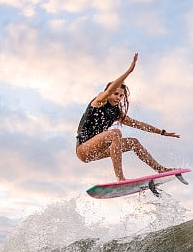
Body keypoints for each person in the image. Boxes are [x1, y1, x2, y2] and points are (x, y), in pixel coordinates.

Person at [76, 52, 180, 181]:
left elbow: (139, 124)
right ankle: (121, 178)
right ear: (107, 93)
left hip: (98, 151)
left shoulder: (116, 112)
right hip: (83, 150)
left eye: (121, 96)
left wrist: (162, 132)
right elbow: (108, 90)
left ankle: (160, 169)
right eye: (116, 94)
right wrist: (129, 71)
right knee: (115, 133)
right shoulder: (98, 102)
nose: (118, 98)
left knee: (134, 142)